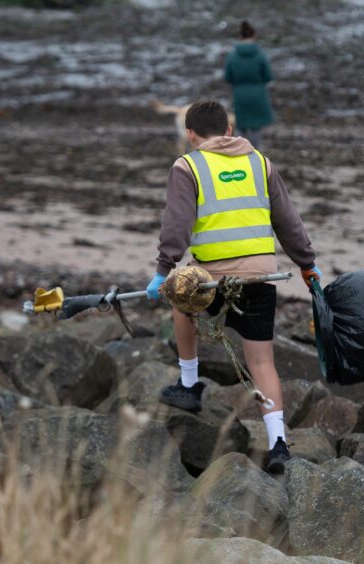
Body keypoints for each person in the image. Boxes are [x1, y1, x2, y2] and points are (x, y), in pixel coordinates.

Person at [145, 100, 321, 474]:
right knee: (261, 361)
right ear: (228, 129)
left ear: (190, 134)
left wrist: (163, 271)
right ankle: (278, 444)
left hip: (210, 278)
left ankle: (190, 386)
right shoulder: (260, 162)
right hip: (261, 276)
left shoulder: (187, 165)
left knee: (181, 302)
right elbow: (288, 220)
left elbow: (176, 224)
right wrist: (307, 264)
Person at [224, 21, 275, 149]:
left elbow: (228, 77)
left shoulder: (233, 56)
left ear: (240, 36)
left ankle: (240, 152)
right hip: (258, 94)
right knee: (256, 126)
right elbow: (268, 76)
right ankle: (254, 153)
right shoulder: (260, 55)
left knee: (241, 126)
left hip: (240, 94)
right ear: (253, 35)